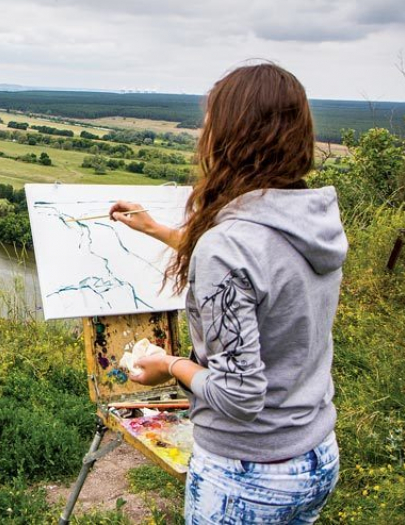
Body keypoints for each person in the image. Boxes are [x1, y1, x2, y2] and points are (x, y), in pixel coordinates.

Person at [109, 63, 346, 524]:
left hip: (249, 471)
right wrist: (156, 228)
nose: (202, 131)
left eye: (210, 120)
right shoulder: (307, 220)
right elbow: (259, 275)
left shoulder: (231, 246)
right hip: (315, 454)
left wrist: (169, 365)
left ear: (232, 136)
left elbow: (240, 397)